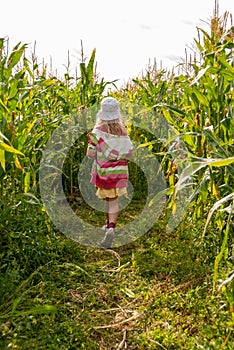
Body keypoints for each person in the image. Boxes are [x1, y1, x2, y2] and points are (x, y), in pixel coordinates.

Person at [87, 97, 134, 248]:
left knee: (109, 199)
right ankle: (110, 226)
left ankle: (109, 226)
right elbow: (130, 154)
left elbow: (90, 154)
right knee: (114, 199)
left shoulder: (97, 132)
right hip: (119, 172)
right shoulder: (122, 131)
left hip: (105, 172)